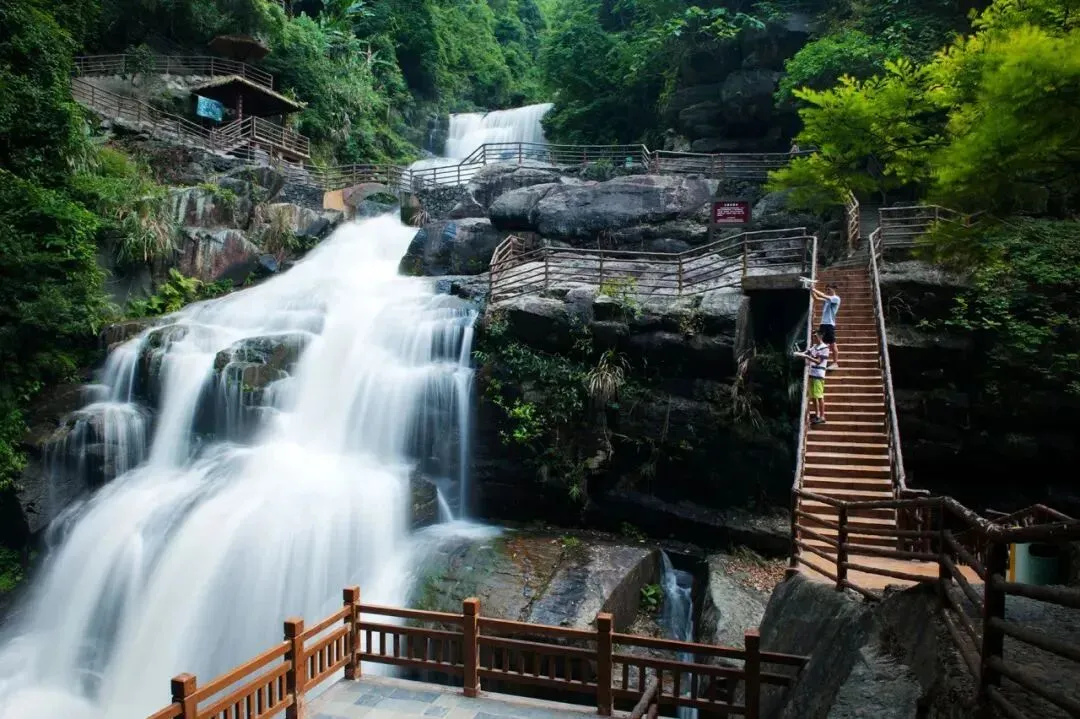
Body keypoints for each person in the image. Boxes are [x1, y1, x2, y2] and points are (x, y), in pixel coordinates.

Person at [795, 330, 830, 424]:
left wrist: (806, 357)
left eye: (815, 336)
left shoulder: (825, 348)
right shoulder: (814, 347)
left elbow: (818, 361)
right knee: (813, 396)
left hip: (819, 374)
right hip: (812, 373)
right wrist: (798, 354)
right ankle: (817, 415)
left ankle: (822, 416)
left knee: (819, 396)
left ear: (820, 337)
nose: (814, 338)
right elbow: (806, 352)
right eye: (813, 336)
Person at [811, 283, 841, 369]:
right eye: (826, 290)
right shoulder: (827, 299)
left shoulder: (836, 298)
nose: (827, 291)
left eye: (829, 289)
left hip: (830, 325)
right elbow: (816, 298)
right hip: (823, 324)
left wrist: (814, 289)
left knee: (832, 344)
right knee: (821, 343)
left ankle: (835, 363)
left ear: (833, 289)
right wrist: (811, 290)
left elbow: (823, 295)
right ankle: (820, 361)